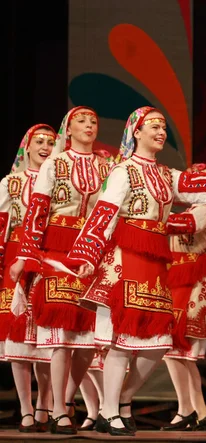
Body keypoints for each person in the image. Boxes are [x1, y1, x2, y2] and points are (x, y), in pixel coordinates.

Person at [66, 106, 206, 436]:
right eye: (153, 126)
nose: (161, 131)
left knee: (159, 344)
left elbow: (203, 189)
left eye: (164, 126)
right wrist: (86, 254)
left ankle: (121, 399)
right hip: (124, 262)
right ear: (136, 132)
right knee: (121, 342)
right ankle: (109, 412)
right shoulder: (123, 172)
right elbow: (105, 213)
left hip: (154, 265)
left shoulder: (168, 175)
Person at [9, 107, 110, 435]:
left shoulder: (105, 165)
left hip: (92, 252)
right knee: (61, 334)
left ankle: (64, 401)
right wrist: (26, 256)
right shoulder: (56, 162)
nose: (89, 126)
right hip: (56, 250)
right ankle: (56, 410)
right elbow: (37, 211)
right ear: (69, 128)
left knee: (89, 340)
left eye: (94, 121)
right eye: (82, 121)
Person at [0, 124, 56, 432]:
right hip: (17, 260)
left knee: (47, 340)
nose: (46, 146)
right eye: (39, 141)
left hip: (48, 257)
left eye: (51, 141)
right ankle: (24, 408)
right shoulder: (11, 183)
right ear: (27, 147)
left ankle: (44, 407)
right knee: (19, 340)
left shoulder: (61, 181)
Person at [161, 201, 206, 431]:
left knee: (184, 353)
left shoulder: (205, 212)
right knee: (171, 350)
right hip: (176, 278)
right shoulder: (188, 211)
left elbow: (178, 224)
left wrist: (151, 214)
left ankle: (195, 410)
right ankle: (190, 409)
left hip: (195, 280)